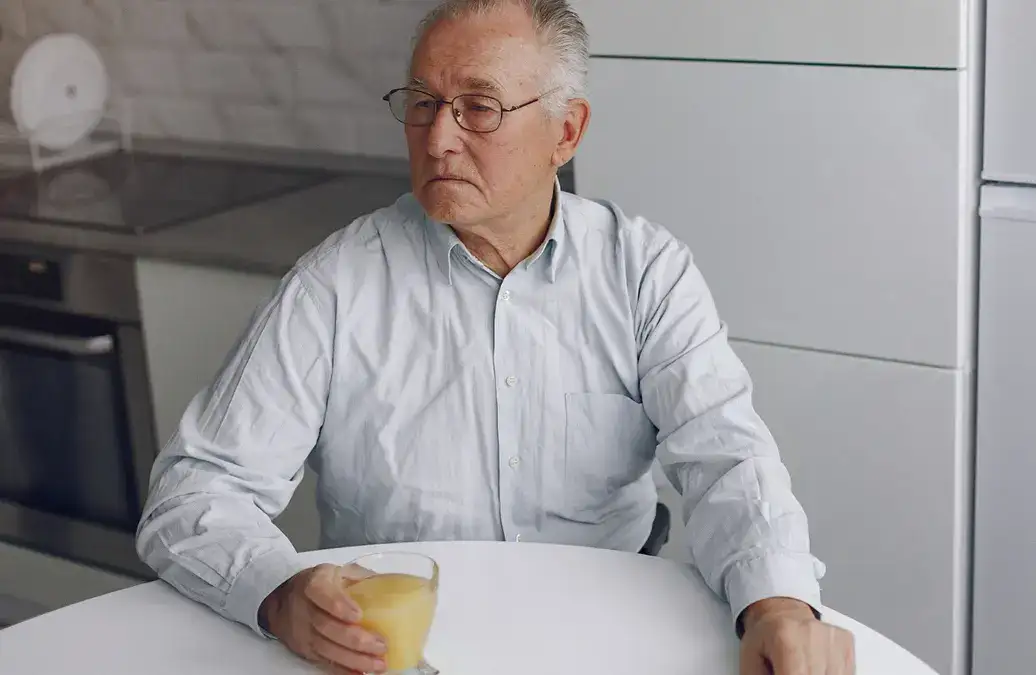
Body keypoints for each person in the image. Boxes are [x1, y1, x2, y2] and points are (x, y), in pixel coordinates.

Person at [135, 1, 855, 673]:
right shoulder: (336, 283)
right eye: (423, 104)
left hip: (606, 627)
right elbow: (195, 491)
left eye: (478, 107)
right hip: (400, 645)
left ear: (565, 132)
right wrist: (277, 591)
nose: (438, 138)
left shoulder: (643, 271)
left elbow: (728, 459)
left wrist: (778, 605)